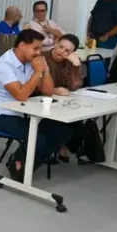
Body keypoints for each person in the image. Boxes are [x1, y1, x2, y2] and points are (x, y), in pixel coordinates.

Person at [0, 29, 71, 182]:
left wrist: (45, 70)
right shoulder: (4, 64)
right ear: (22, 45)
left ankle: (24, 163)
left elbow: (48, 91)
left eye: (40, 49)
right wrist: (37, 72)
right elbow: (21, 95)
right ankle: (18, 166)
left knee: (61, 129)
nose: (39, 53)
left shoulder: (30, 61)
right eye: (35, 48)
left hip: (21, 112)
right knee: (39, 138)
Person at [44, 34, 83, 162]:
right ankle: (56, 145)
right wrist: (54, 90)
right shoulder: (42, 58)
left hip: (61, 101)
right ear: (55, 43)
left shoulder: (70, 62)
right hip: (42, 100)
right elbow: (34, 86)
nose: (62, 51)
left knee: (78, 116)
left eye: (68, 51)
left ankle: (65, 144)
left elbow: (74, 86)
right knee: (59, 118)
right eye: (61, 47)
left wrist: (76, 66)